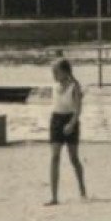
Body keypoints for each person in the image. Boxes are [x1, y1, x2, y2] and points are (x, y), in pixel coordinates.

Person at [47, 58, 88, 204]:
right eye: (53, 72)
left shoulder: (75, 86)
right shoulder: (54, 86)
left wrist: (71, 124)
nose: (54, 75)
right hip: (56, 120)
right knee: (54, 157)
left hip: (70, 119)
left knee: (73, 158)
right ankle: (54, 197)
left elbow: (78, 110)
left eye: (56, 71)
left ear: (64, 71)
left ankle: (82, 189)